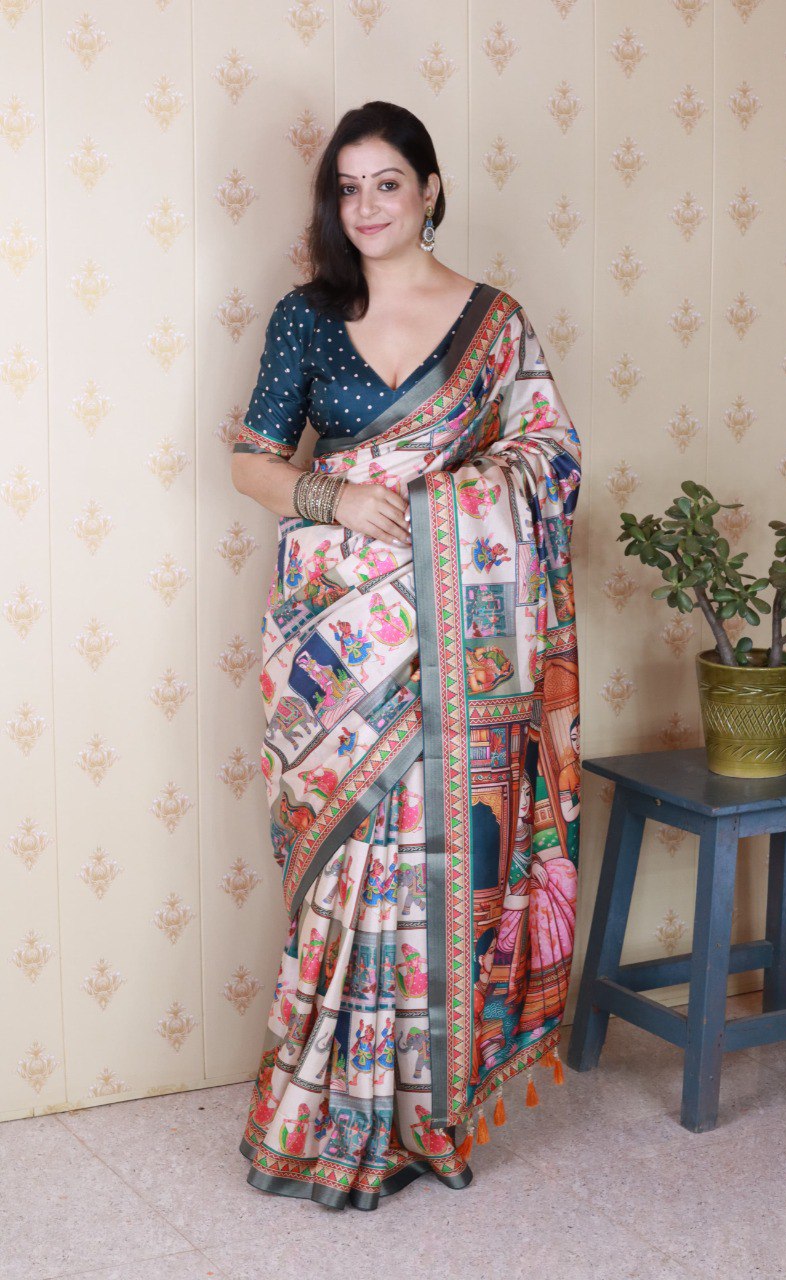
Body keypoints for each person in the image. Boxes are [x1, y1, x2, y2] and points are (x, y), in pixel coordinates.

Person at [231, 99, 582, 1212]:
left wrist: (438, 504)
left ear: (429, 187)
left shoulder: (494, 325)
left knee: (439, 870)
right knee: (341, 877)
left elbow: (548, 456)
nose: (367, 206)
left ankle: (424, 1117)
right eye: (348, 187)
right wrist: (339, 495)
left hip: (454, 652)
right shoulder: (307, 315)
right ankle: (320, 1116)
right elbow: (250, 461)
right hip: (336, 646)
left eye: (388, 182)